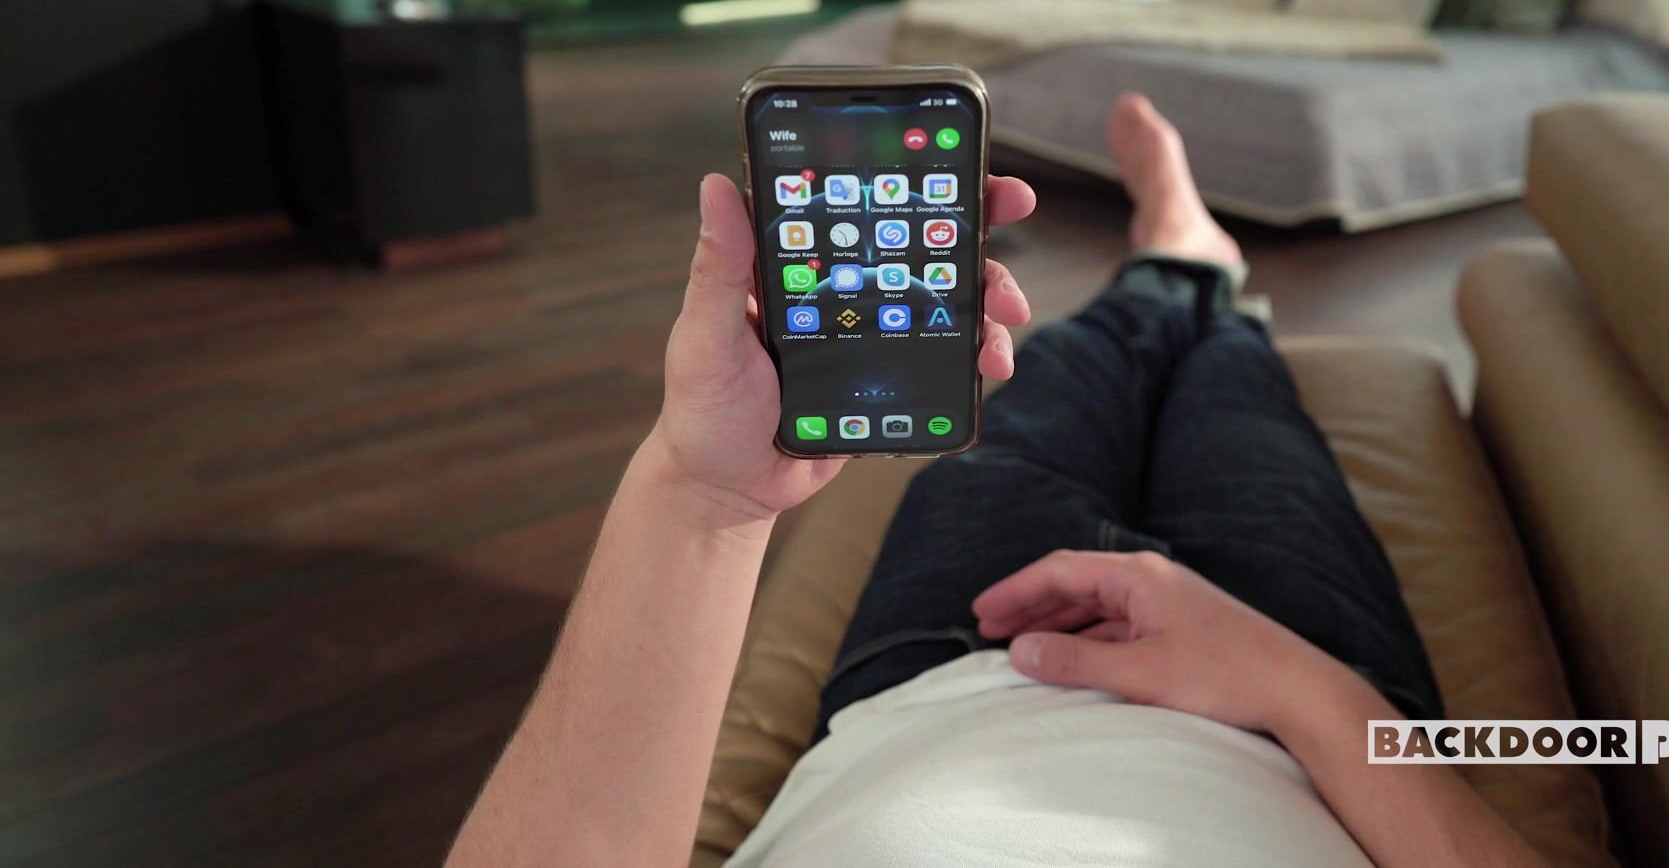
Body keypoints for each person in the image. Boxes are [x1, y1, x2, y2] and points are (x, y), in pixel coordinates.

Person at [448, 95, 1544, 867]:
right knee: (1237, 385)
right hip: (1303, 712)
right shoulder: (1304, 688)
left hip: (955, 661)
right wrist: (1303, 690)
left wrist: (707, 492)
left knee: (1060, 366)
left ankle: (1170, 267)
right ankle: (1194, 268)